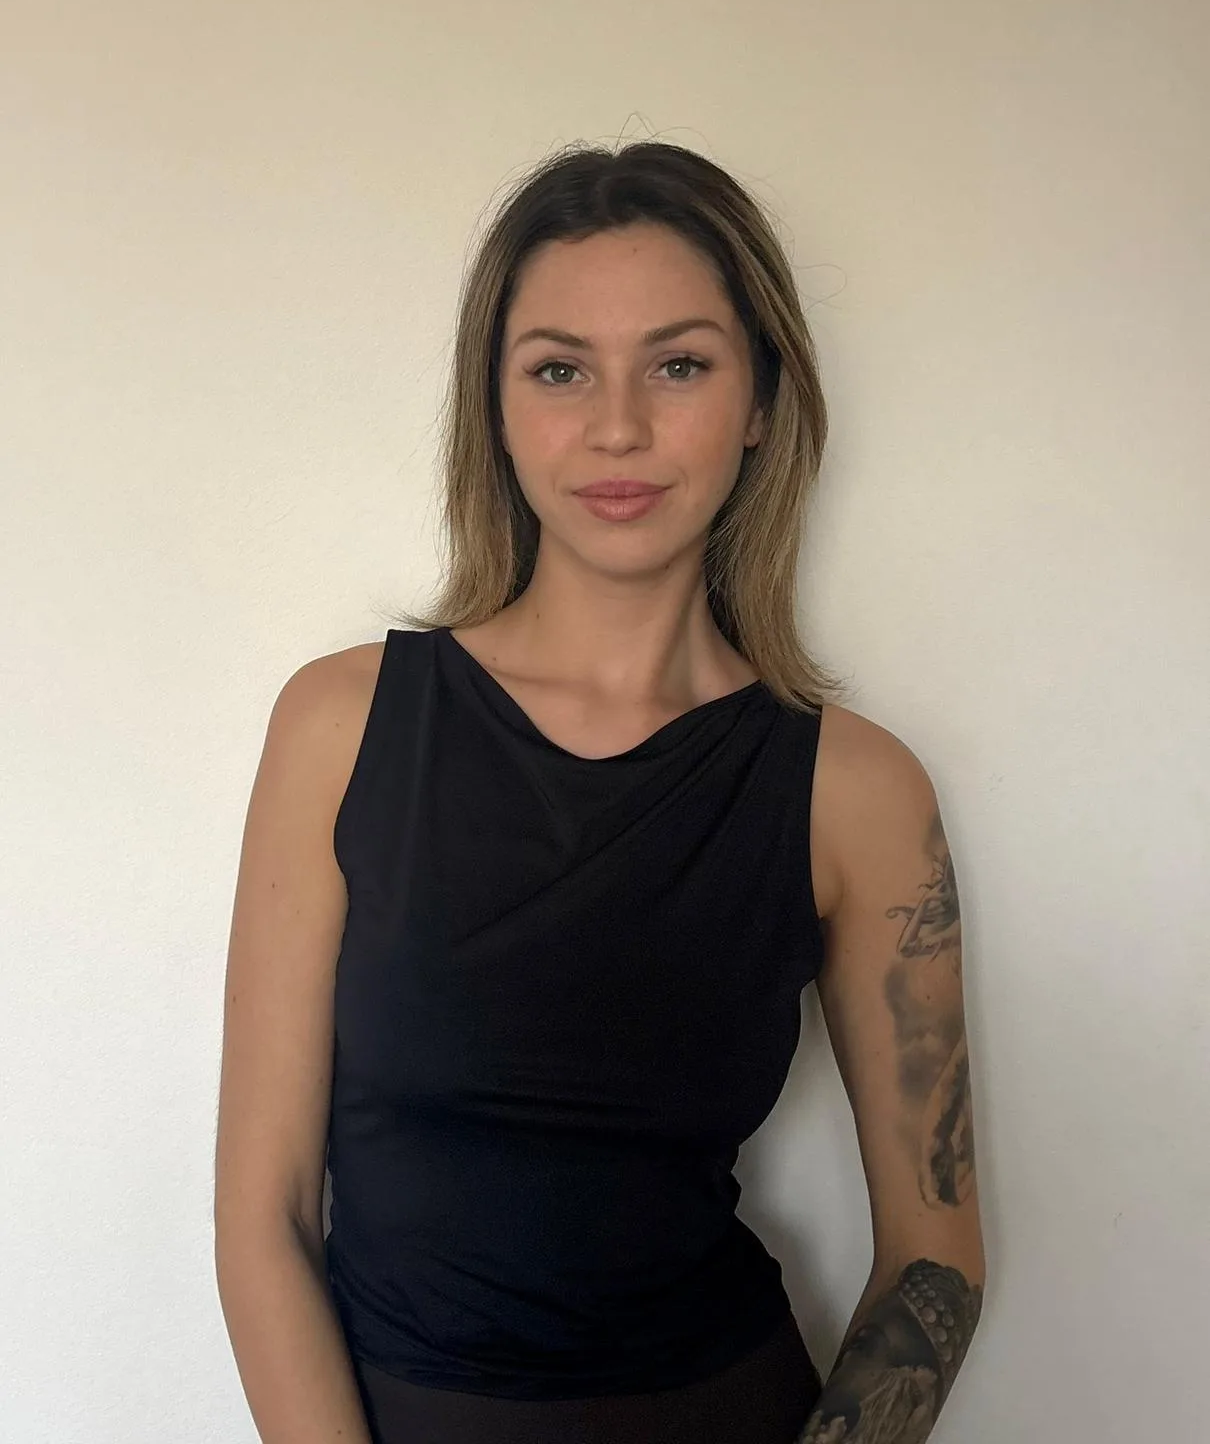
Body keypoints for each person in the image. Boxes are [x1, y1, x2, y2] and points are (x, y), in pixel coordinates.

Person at [213, 140, 986, 1444]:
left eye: (678, 365)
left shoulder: (856, 792)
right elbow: (263, 1216)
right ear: (496, 406)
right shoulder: (343, 726)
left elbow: (935, 1259)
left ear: (760, 399)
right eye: (559, 369)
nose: (616, 426)